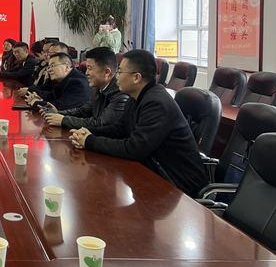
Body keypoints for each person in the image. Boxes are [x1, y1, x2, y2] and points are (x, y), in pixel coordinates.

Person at [69, 50, 208, 197]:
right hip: (154, 173)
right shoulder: (136, 97)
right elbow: (120, 129)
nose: (116, 76)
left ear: (136, 78)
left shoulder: (156, 103)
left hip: (179, 185)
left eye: (120, 72)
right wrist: (88, 132)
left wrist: (90, 141)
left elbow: (134, 148)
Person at [43, 46, 130, 129]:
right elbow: (83, 111)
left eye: (90, 68)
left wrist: (64, 120)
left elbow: (101, 123)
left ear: (107, 72)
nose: (86, 73)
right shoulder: (97, 88)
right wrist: (58, 113)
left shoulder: (120, 94)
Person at [25, 52, 90, 111]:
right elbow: (52, 96)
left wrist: (35, 102)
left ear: (67, 66)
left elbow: (62, 106)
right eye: (49, 67)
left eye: (52, 66)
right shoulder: (63, 79)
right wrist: (39, 98)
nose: (49, 70)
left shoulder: (78, 83)